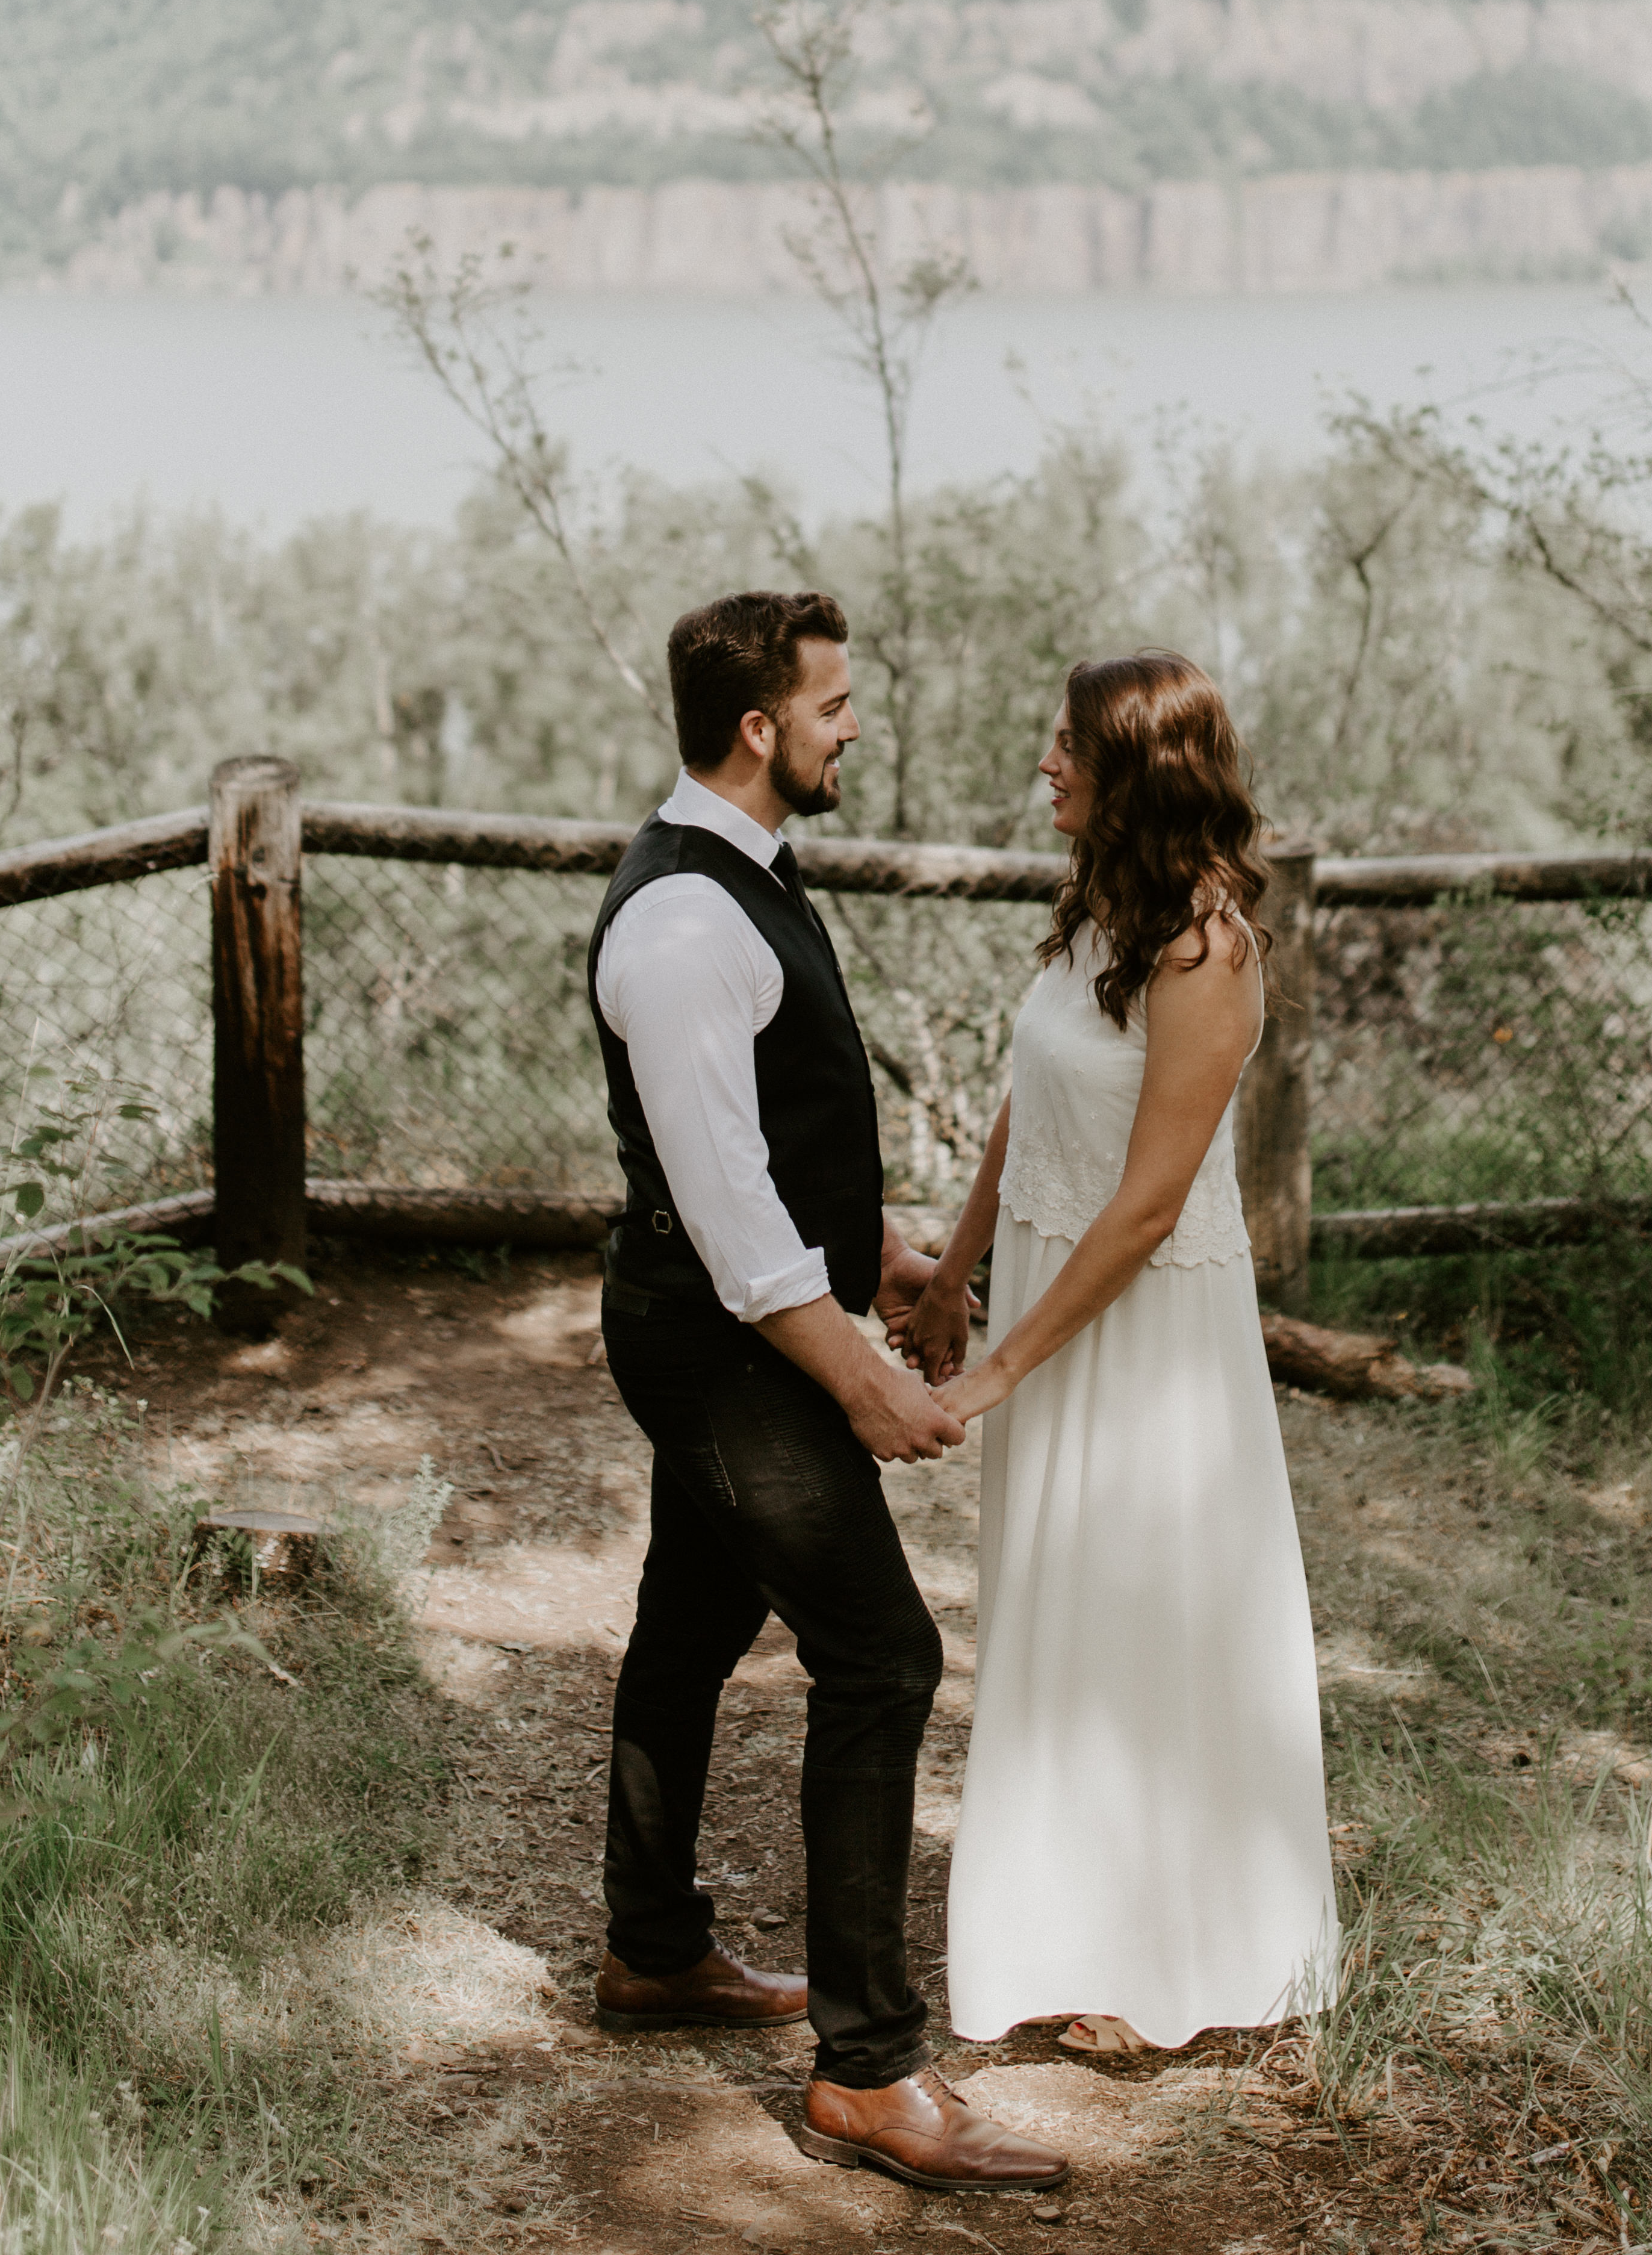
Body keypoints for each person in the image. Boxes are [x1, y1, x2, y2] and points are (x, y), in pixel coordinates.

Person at [588, 588, 1067, 2198]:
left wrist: (896, 1262)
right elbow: (724, 1207)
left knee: (692, 1624)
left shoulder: (744, 883)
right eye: (836, 702)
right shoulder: (677, 924)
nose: (853, 723)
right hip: (729, 1351)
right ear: (757, 728)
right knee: (883, 1652)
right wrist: (860, 1375)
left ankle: (653, 1954)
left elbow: (777, 1142)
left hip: (751, 1321)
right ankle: (869, 2070)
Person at [901, 650, 1337, 2050]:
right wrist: (954, 1277)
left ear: (1136, 773)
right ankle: (1068, 1930)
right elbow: (1031, 1114)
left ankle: (1168, 1957)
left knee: (1141, 1618)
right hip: (1040, 1283)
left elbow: (1148, 1203)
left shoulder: (1208, 951)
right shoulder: (1096, 912)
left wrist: (999, 1370)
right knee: (1056, 1614)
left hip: (1142, 1336)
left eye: (1067, 748)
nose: (1044, 765)